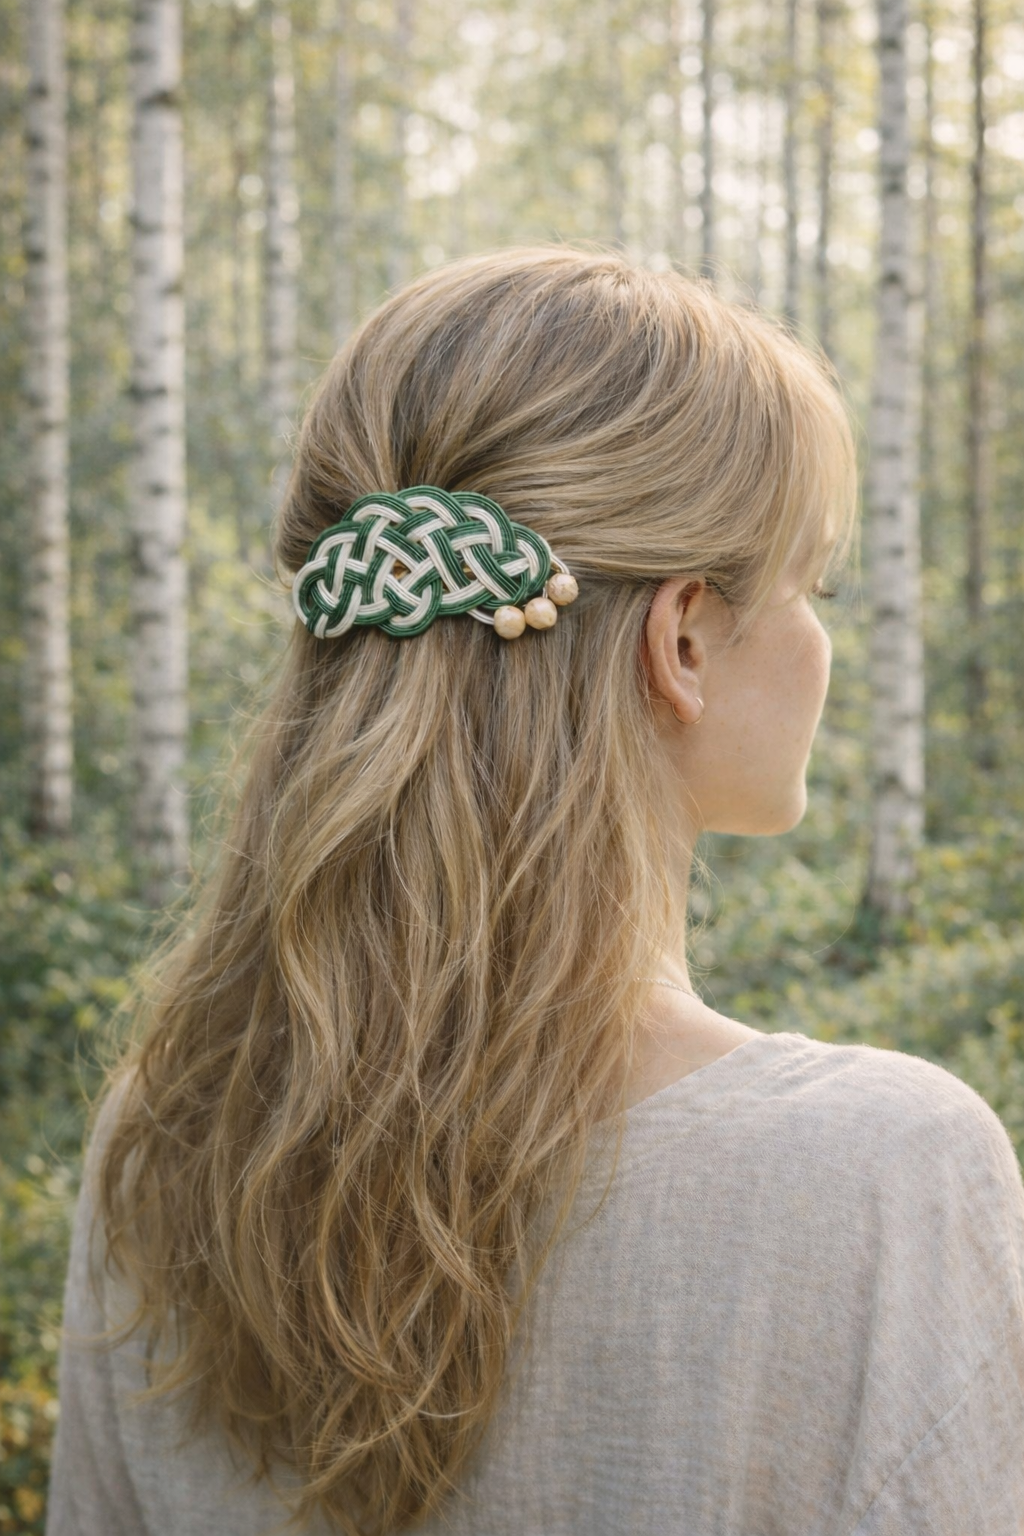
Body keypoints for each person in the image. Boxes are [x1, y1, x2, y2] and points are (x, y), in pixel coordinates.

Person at [47, 248, 1024, 1536]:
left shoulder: (166, 1132)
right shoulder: (880, 1178)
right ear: (683, 638)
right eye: (814, 586)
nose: (821, 638)